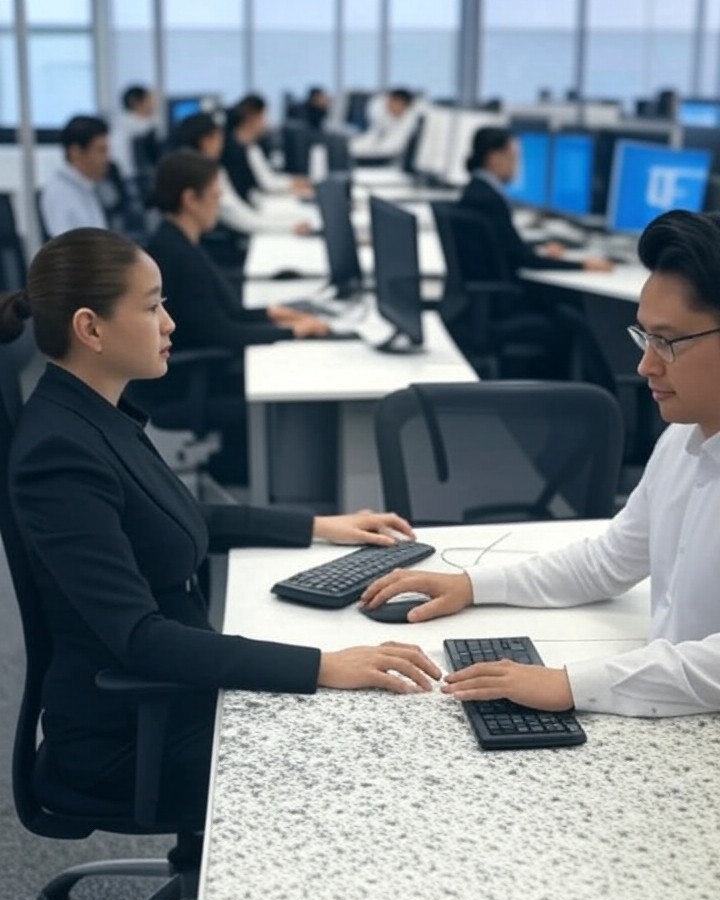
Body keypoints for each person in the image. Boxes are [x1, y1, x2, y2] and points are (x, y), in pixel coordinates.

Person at [0, 227, 441, 826]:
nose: (170, 323)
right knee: (358, 742)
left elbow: (168, 519)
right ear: (91, 328)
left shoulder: (91, 414)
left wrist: (319, 524)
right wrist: (323, 665)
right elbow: (140, 638)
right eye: (153, 305)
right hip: (128, 737)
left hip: (175, 689)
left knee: (367, 714)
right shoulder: (58, 452)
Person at [361, 208, 720, 720]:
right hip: (670, 718)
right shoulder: (684, 438)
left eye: (668, 341)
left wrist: (571, 684)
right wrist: (473, 586)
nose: (645, 365)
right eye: (644, 337)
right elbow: (608, 562)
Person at [145, 148, 327, 351]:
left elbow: (227, 312)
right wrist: (292, 332)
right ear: (190, 200)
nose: (220, 205)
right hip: (204, 368)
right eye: (216, 196)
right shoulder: (176, 254)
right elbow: (220, 332)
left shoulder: (179, 240)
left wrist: (272, 313)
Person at [460, 127, 612, 273]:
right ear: (494, 159)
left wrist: (541, 248)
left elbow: (508, 246)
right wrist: (583, 266)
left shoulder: (474, 191)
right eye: (513, 158)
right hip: (506, 292)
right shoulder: (491, 200)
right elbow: (524, 260)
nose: (517, 166)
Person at [172, 111, 312, 237]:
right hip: (226, 248)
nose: (222, 144)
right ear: (206, 141)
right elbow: (240, 218)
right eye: (218, 138)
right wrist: (289, 226)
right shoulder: (210, 175)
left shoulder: (184, 171)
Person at [223, 94, 311, 201]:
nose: (267, 122)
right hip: (254, 203)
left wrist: (294, 181)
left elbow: (267, 179)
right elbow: (266, 183)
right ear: (253, 118)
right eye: (264, 116)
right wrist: (295, 183)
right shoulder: (237, 150)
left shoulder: (250, 146)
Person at [40, 115, 110, 237]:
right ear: (76, 152)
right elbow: (69, 250)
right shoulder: (60, 193)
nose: (107, 159)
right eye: (101, 150)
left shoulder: (84, 186)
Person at [349, 89, 420, 162]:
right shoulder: (382, 119)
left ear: (404, 106)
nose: (388, 107)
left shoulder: (407, 124)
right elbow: (371, 138)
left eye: (394, 103)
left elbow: (391, 148)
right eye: (388, 102)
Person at [111, 84, 158, 178]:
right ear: (135, 103)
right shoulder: (137, 127)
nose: (153, 105)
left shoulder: (122, 122)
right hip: (130, 177)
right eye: (148, 101)